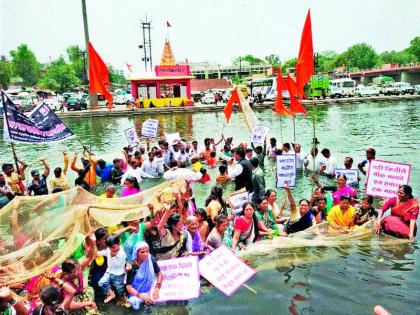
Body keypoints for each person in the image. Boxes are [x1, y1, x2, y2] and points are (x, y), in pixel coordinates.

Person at [126, 242, 163, 309]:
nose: (146, 254)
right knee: (133, 302)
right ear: (136, 253)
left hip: (149, 288)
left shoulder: (151, 258)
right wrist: (141, 296)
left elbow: (159, 274)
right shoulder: (132, 266)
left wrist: (157, 289)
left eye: (147, 251)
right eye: (142, 252)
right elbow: (129, 287)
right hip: (136, 293)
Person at [97, 234, 130, 303]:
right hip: (109, 272)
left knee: (119, 288)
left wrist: (112, 256)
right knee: (101, 282)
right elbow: (103, 252)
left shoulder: (122, 253)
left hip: (119, 274)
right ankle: (112, 294)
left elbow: (119, 262)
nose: (111, 249)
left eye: (113, 247)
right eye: (109, 247)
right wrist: (96, 253)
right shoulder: (110, 250)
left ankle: (122, 298)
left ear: (119, 244)